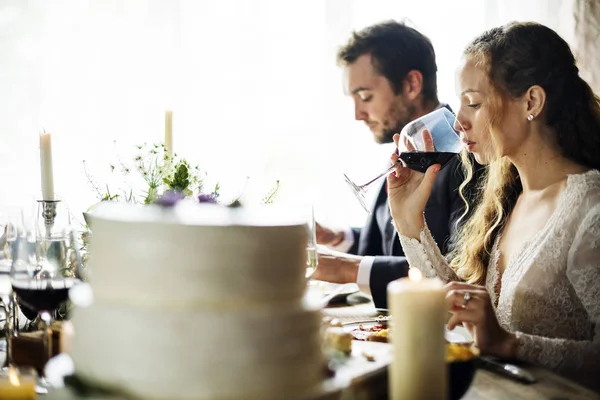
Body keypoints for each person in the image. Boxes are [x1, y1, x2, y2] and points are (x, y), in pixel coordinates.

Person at [387, 21, 600, 390]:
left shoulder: (591, 210)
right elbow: (471, 315)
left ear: (531, 101)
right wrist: (410, 223)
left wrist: (508, 343)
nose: (458, 122)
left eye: (473, 103)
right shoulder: (512, 198)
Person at [314, 21, 479, 308]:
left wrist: (347, 268)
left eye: (365, 96)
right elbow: (391, 241)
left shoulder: (471, 155)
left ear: (411, 84)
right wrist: (339, 238)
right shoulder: (404, 149)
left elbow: (458, 272)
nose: (358, 114)